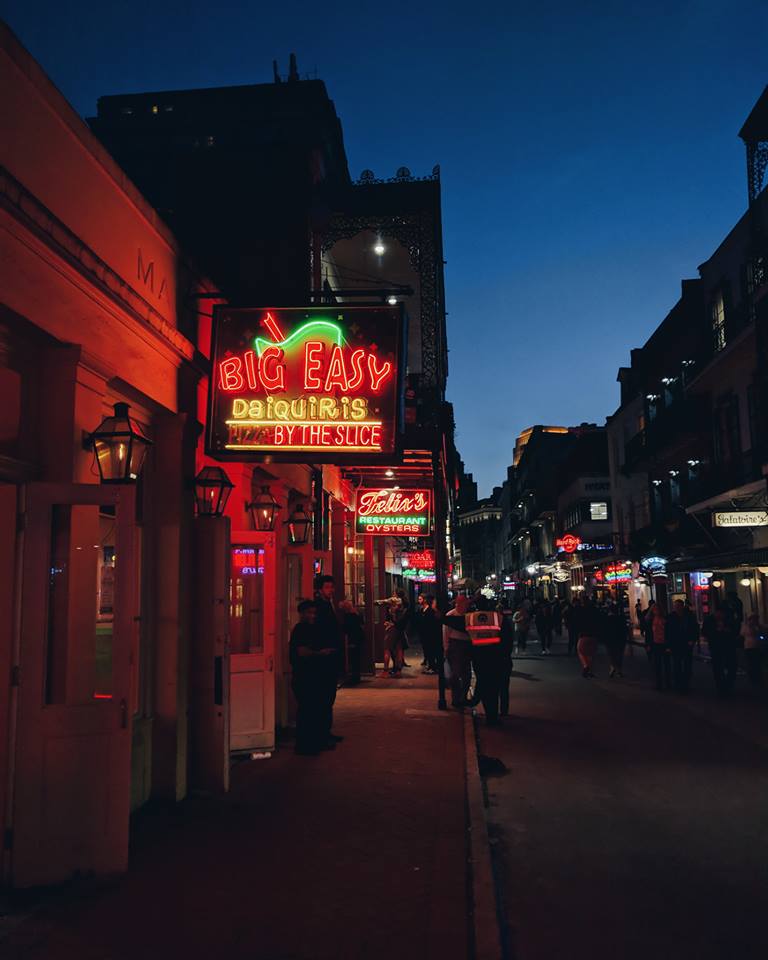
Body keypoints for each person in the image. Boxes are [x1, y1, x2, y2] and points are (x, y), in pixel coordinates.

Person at [289, 600, 338, 755]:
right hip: (304, 676)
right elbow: (301, 652)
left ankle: (312, 743)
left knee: (311, 710)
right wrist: (320, 653)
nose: (312, 616)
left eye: (314, 613)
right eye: (309, 612)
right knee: (307, 711)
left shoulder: (312, 629)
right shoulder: (300, 630)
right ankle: (306, 745)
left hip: (311, 675)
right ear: (301, 613)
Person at [314, 575, 344, 741]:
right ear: (319, 589)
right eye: (327, 587)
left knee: (328, 696)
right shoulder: (320, 606)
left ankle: (326, 732)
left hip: (330, 654)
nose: (331, 590)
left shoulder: (328, 604)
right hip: (325, 656)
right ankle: (323, 734)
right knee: (325, 696)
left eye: (332, 587)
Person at [465, 600, 504, 725]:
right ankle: (493, 715)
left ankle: (484, 708)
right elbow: (507, 637)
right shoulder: (497, 618)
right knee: (493, 687)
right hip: (495, 656)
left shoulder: (471, 618)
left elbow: (457, 624)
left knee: (483, 683)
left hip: (479, 656)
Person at [443, 595, 472, 708]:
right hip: (455, 645)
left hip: (467, 644)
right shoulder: (451, 615)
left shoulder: (469, 615)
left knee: (466, 674)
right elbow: (445, 633)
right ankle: (456, 698)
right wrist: (446, 648)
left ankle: (462, 697)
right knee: (455, 673)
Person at [702, 607, 738, 697]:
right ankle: (721, 688)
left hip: (728, 646)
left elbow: (735, 630)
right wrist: (715, 632)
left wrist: (728, 631)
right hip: (716, 646)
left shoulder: (728, 619)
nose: (720, 616)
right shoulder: (709, 620)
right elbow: (705, 632)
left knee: (731, 666)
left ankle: (728, 685)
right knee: (718, 667)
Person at [667, 600, 699, 693]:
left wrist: (692, 640)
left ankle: (685, 683)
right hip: (676, 644)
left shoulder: (689, 616)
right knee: (677, 664)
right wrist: (669, 644)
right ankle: (678, 684)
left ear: (682, 606)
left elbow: (694, 628)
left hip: (686, 643)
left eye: (679, 606)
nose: (677, 608)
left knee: (687, 664)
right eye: (675, 606)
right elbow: (668, 631)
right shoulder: (671, 617)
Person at [575, 597, 602, 678]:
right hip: (594, 634)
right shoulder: (595, 610)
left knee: (581, 651)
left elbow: (577, 621)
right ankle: (590, 671)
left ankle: (586, 666)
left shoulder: (581, 611)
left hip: (584, 634)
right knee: (591, 654)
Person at [339, 599, 364, 685]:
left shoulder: (349, 616)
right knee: (356, 659)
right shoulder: (357, 613)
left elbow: (347, 628)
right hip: (358, 638)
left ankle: (354, 677)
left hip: (353, 638)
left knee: (353, 659)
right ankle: (356, 676)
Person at [417, 594, 443, 674]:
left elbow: (433, 622)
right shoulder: (422, 609)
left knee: (431, 650)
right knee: (428, 650)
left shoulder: (431, 611)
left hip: (431, 634)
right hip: (424, 633)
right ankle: (431, 665)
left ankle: (433, 667)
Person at [649, 601, 671, 691]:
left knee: (666, 664)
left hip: (664, 643)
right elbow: (650, 633)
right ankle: (659, 684)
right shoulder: (652, 619)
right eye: (654, 609)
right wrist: (649, 644)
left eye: (657, 609)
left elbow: (668, 632)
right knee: (657, 665)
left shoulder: (665, 619)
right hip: (656, 643)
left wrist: (668, 645)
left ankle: (667, 683)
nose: (656, 611)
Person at [604, 603, 628, 678]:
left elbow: (604, 630)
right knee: (619, 655)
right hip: (620, 639)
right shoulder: (621, 618)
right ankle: (619, 671)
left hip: (610, 639)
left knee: (611, 654)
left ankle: (612, 667)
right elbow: (625, 629)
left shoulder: (607, 619)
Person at [499, 603, 515, 716]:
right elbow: (510, 641)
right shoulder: (505, 623)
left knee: (499, 687)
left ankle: (497, 712)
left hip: (500, 659)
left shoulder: (500, 623)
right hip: (504, 659)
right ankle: (503, 711)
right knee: (504, 687)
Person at [741, 613, 764, 687]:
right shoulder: (746, 626)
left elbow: (760, 634)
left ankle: (758, 677)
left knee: (757, 662)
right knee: (751, 662)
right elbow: (743, 634)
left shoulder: (758, 626)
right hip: (748, 646)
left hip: (756, 646)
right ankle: (753, 678)